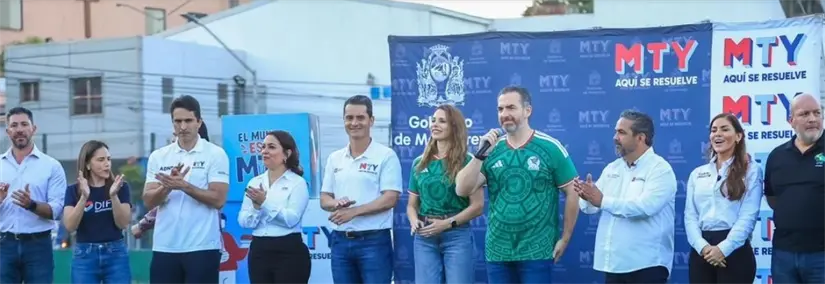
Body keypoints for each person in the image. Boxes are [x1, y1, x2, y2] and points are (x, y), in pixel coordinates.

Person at [455, 86, 580, 283]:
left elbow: (573, 191)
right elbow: (462, 189)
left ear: (527, 110)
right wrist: (480, 155)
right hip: (498, 252)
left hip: (537, 252)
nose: (505, 114)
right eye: (500, 109)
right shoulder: (491, 150)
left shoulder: (550, 147)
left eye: (511, 108)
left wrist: (565, 238)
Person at [575, 110, 677, 284]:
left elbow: (645, 208)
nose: (615, 137)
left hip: (647, 265)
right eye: (616, 132)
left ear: (640, 138)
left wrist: (601, 200)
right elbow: (590, 209)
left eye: (621, 132)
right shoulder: (612, 168)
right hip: (614, 264)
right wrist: (586, 196)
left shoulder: (660, 169)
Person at [142, 95, 230, 284]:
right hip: (165, 246)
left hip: (202, 246)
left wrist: (184, 186)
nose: (183, 127)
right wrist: (166, 187)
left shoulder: (215, 154)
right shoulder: (159, 156)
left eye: (188, 121)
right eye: (178, 121)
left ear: (199, 122)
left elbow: (218, 199)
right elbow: (148, 201)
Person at [320, 95, 402, 284]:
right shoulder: (334, 158)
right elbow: (324, 198)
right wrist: (336, 203)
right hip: (339, 241)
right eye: (349, 118)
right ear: (344, 120)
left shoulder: (386, 155)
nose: (354, 123)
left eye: (360, 117)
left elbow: (390, 198)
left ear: (371, 120)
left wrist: (353, 212)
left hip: (373, 241)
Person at [407, 105, 484, 284]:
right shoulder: (419, 162)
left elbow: (478, 206)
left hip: (456, 235)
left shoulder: (468, 161)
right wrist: (413, 220)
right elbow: (411, 205)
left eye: (442, 121)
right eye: (433, 120)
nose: (435, 124)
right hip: (425, 236)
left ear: (454, 127)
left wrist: (447, 224)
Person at [683, 113, 762, 284]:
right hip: (702, 251)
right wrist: (702, 247)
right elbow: (690, 216)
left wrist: (723, 249)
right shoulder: (697, 174)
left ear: (738, 136)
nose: (717, 134)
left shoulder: (751, 170)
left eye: (725, 129)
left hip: (735, 249)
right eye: (714, 130)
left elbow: (748, 216)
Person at [0, 106, 67, 284]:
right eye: (14, 125)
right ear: (8, 131)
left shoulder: (51, 166)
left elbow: (57, 210)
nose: (19, 129)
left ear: (33, 128)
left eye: (24, 124)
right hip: (3, 245)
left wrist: (31, 204)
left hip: (38, 245)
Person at [764, 93, 825, 284]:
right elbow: (773, 198)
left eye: (817, 113)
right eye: (805, 114)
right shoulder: (777, 156)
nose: (812, 119)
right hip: (784, 255)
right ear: (791, 121)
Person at [238, 130, 311, 284]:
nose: (265, 151)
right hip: (259, 251)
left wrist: (264, 203)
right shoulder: (254, 182)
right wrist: (256, 208)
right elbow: (244, 222)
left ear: (287, 154)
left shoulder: (297, 183)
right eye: (263, 147)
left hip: (289, 251)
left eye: (271, 147)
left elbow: (291, 219)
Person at [63, 140, 132, 283]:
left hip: (115, 253)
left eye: (108, 159)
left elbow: (123, 223)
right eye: (101, 160)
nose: (107, 164)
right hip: (85, 255)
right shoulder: (73, 190)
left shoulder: (120, 187)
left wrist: (113, 196)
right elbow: (70, 226)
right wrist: (84, 197)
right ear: (88, 164)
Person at [132, 122, 211, 238]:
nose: (173, 140)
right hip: (171, 239)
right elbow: (164, 203)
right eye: (174, 135)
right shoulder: (167, 161)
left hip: (202, 237)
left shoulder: (210, 161)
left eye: (177, 135)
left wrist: (143, 224)